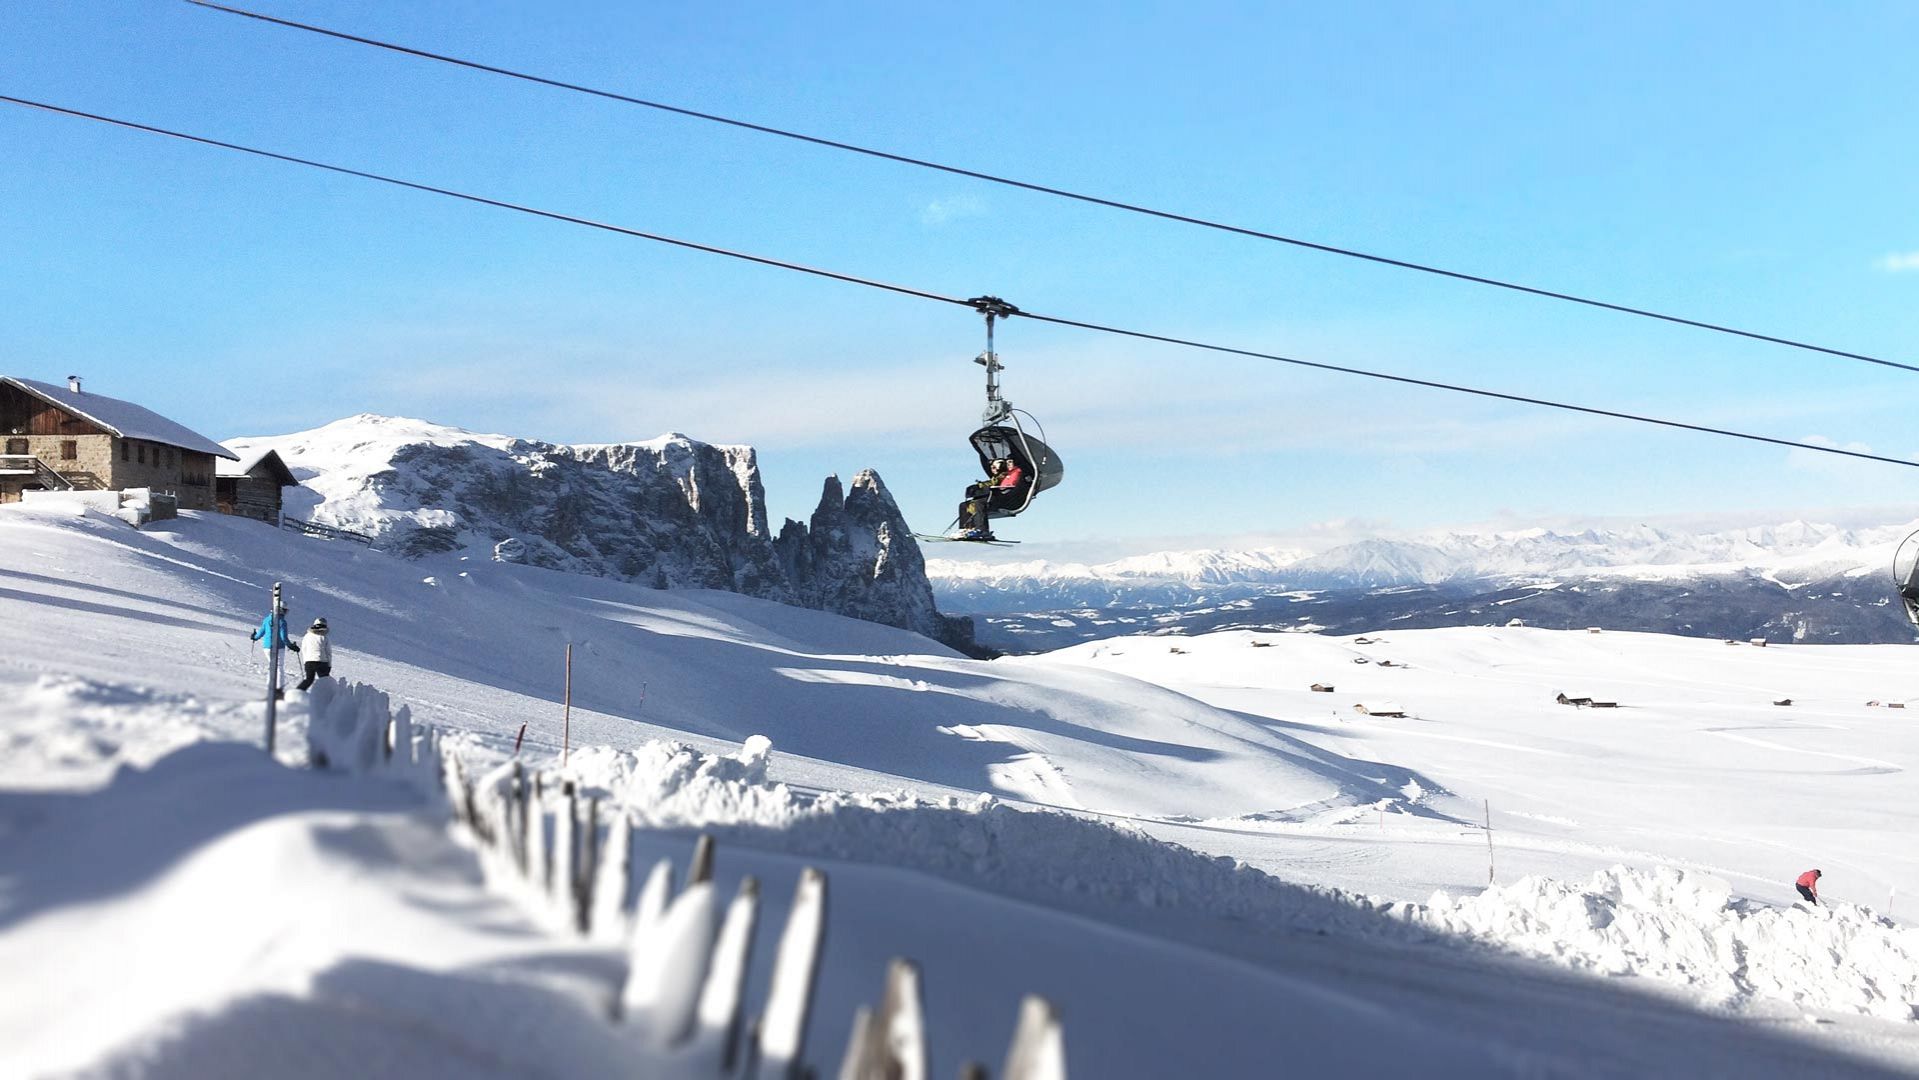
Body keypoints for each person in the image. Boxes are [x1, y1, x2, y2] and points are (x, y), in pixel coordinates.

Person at [957, 458, 1010, 540]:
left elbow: (993, 483)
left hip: (998, 499)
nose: (992, 470)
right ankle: (966, 529)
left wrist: (980, 486)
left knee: (979, 504)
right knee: (964, 505)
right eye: (992, 468)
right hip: (992, 497)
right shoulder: (997, 476)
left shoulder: (1003, 475)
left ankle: (982, 530)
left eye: (994, 467)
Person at [294, 617, 333, 691]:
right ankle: (326, 697)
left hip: (309, 661)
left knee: (308, 680)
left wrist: (306, 661)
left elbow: (304, 649)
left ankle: (297, 693)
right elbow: (328, 653)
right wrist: (329, 665)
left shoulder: (307, 636)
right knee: (325, 681)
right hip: (322, 661)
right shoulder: (324, 637)